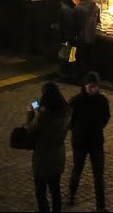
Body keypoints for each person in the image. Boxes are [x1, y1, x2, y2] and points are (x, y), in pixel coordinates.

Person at [67, 72, 110, 212]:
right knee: (78, 169)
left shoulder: (100, 100)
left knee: (98, 175)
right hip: (83, 141)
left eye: (95, 87)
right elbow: (68, 120)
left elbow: (106, 117)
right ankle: (72, 195)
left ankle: (100, 206)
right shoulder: (76, 101)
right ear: (85, 86)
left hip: (93, 141)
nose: (93, 90)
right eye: (90, 87)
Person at [25, 82, 70, 213]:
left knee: (41, 192)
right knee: (55, 190)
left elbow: (30, 129)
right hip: (58, 156)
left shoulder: (43, 117)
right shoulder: (67, 112)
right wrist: (41, 109)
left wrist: (30, 113)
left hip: (42, 157)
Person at [74, 0, 100, 81]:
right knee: (89, 58)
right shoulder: (96, 7)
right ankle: (88, 78)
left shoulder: (78, 8)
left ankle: (80, 78)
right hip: (92, 37)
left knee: (80, 58)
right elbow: (98, 22)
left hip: (81, 37)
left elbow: (74, 24)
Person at [57, 0, 80, 81]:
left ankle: (64, 72)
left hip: (66, 36)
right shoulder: (70, 8)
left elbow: (60, 23)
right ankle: (67, 72)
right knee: (69, 56)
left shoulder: (64, 8)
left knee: (65, 55)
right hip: (70, 36)